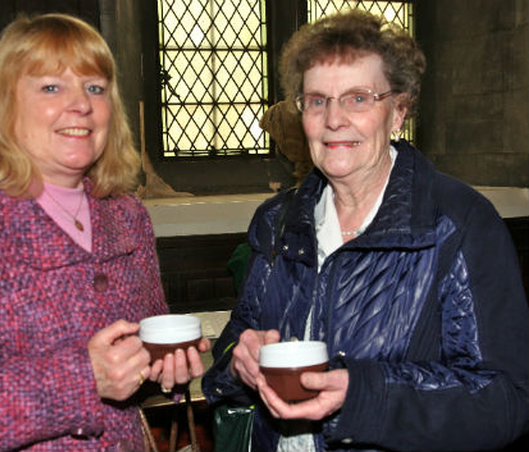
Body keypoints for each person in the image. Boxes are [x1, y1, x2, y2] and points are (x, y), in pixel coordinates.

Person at [203, 9, 528, 452]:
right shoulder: (278, 220)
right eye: (317, 100)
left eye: (358, 98)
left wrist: (364, 395)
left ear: (398, 109)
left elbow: (503, 399)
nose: (333, 119)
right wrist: (239, 363)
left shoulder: (457, 223)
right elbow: (227, 354)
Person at [0, 13, 208, 452]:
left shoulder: (127, 215)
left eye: (95, 88)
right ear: (7, 104)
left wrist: (163, 366)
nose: (81, 104)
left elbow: (138, 358)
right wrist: (80, 380)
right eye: (51, 87)